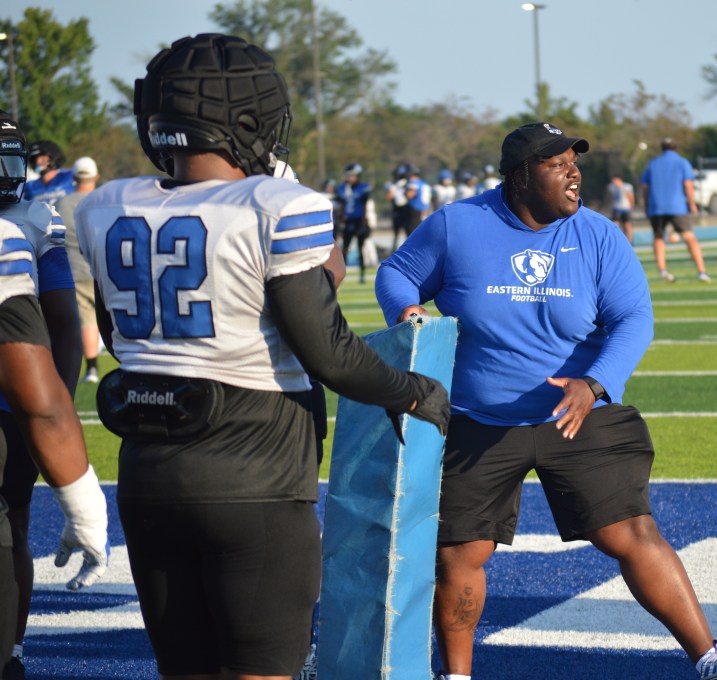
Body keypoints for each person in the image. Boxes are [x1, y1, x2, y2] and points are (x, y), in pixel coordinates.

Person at [75, 33, 450, 680]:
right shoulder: (277, 205)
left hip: (148, 475)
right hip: (256, 477)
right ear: (246, 119)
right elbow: (328, 352)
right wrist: (413, 392)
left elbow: (118, 336)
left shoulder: (106, 204)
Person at [376, 121, 717, 680]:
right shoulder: (458, 225)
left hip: (580, 410)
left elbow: (634, 319)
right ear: (518, 176)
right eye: (555, 162)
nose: (572, 172)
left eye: (574, 161)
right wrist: (405, 311)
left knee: (629, 531)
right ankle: (457, 677)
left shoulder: (598, 234)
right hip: (479, 418)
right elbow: (397, 273)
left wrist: (595, 383)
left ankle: (710, 657)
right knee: (460, 553)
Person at [0, 114, 94, 680]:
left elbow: (62, 322)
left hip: (12, 405)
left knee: (12, 522)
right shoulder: (31, 220)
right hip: (17, 404)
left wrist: (49, 408)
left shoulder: (35, 216)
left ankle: (10, 651)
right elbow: (62, 321)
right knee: (11, 524)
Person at [56, 157, 103, 383]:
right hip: (105, 271)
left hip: (75, 270)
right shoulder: (102, 201)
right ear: (96, 177)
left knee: (86, 320)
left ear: (74, 177)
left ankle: (92, 368)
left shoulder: (61, 204)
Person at [639, 138, 711, 283]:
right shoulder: (682, 162)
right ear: (676, 148)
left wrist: (647, 205)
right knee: (689, 237)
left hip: (657, 206)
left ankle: (663, 270)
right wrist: (692, 203)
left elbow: (645, 187)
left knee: (658, 237)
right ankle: (701, 271)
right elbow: (688, 184)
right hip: (677, 205)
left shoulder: (653, 163)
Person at [336, 163, 373, 283]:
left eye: (352, 176)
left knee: (360, 248)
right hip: (348, 221)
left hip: (359, 221)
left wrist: (365, 222)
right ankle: (342, 274)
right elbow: (340, 205)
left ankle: (362, 275)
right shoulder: (342, 188)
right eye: (348, 176)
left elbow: (365, 205)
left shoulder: (363, 187)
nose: (349, 178)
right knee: (344, 248)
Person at [22, 141, 75, 207]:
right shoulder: (29, 187)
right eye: (34, 159)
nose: (38, 162)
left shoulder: (69, 178)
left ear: (53, 157)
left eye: (43, 158)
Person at [386, 163, 411, 252]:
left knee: (408, 232)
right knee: (397, 233)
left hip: (405, 210)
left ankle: (408, 250)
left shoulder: (408, 184)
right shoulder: (394, 185)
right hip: (398, 210)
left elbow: (410, 196)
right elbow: (389, 197)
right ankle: (394, 250)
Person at [605, 173, 635, 243]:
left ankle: (629, 241)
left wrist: (631, 206)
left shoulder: (627, 186)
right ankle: (616, 240)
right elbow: (610, 198)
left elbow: (631, 197)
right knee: (615, 224)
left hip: (626, 208)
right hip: (616, 208)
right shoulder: (611, 187)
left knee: (627, 224)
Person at [405, 165, 431, 233]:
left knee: (412, 232)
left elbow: (409, 195)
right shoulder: (424, 184)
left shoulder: (413, 183)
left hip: (415, 210)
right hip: (425, 210)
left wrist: (404, 192)